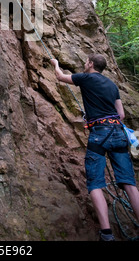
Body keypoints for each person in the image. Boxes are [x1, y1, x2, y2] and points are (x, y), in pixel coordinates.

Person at [50, 53, 139, 241]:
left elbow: (60, 77)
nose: (84, 64)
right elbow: (121, 114)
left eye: (85, 61)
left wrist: (56, 64)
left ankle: (106, 234)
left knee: (95, 183)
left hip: (100, 134)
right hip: (118, 134)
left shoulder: (85, 78)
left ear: (90, 64)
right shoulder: (112, 85)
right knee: (130, 184)